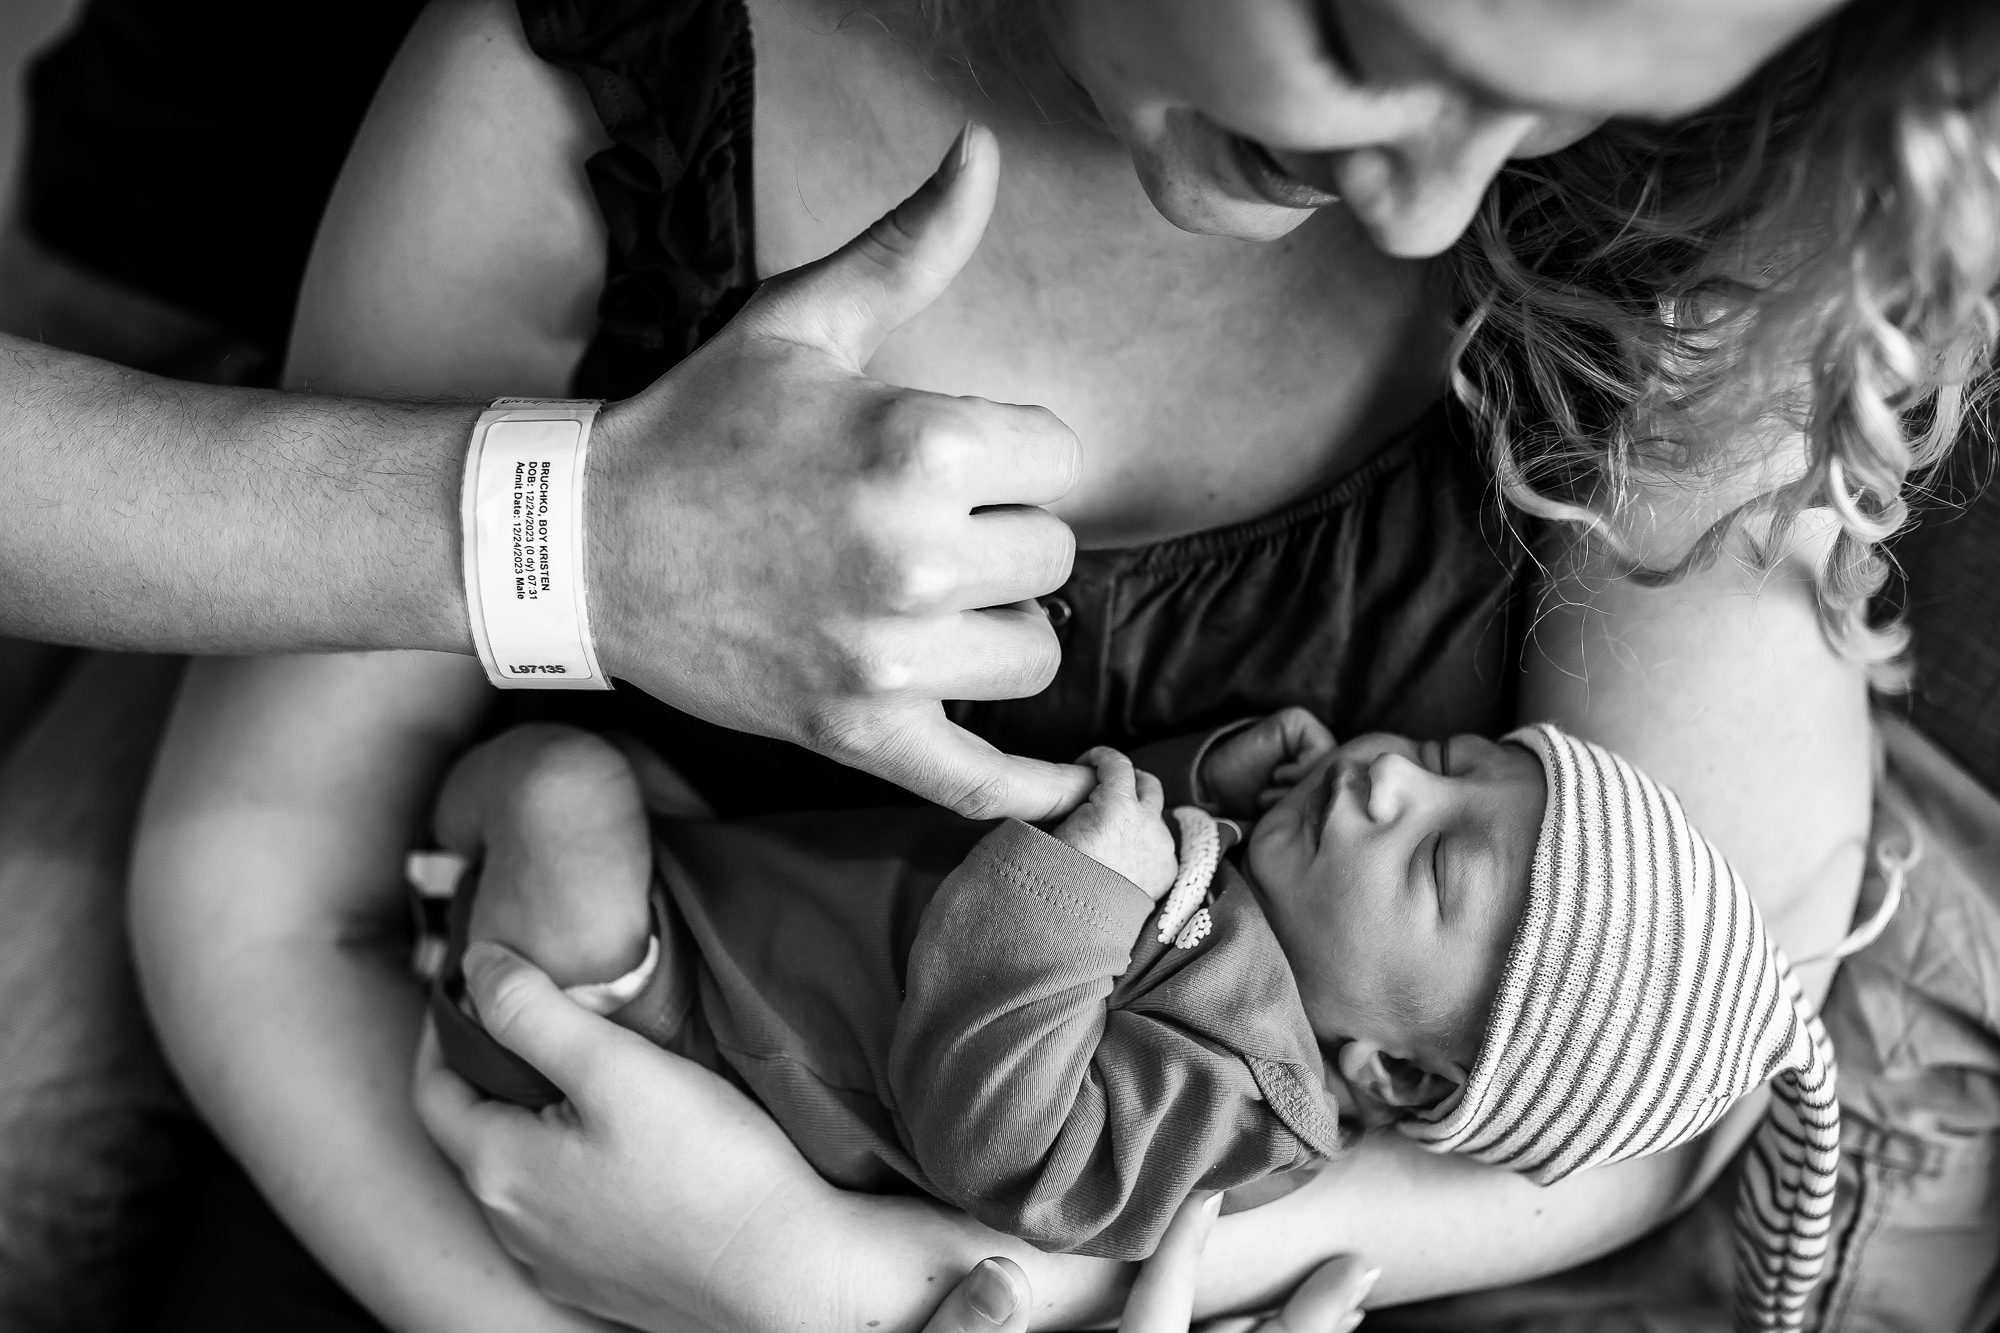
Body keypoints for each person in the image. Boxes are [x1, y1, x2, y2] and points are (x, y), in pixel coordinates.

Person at [125, 0, 2000, 1330]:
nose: (1433, 207)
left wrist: (865, 1293)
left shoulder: (1693, 215)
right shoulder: (589, 97)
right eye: (1369, 41)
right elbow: (260, 890)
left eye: (1538, 116)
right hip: (513, 1181)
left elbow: (1677, 1079)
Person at [430, 713, 1839, 1330]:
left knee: (553, 785)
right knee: (584, 785)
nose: (1393, 782)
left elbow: (1004, 1142)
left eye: (1434, 864)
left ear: (1396, 1072)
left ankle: (457, 949)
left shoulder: (1248, 1114)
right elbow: (1122, 830)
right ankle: (458, 907)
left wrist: (1090, 883)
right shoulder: (1266, 909)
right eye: (1446, 759)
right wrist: (1211, 775)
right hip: (746, 901)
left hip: (682, 1044)